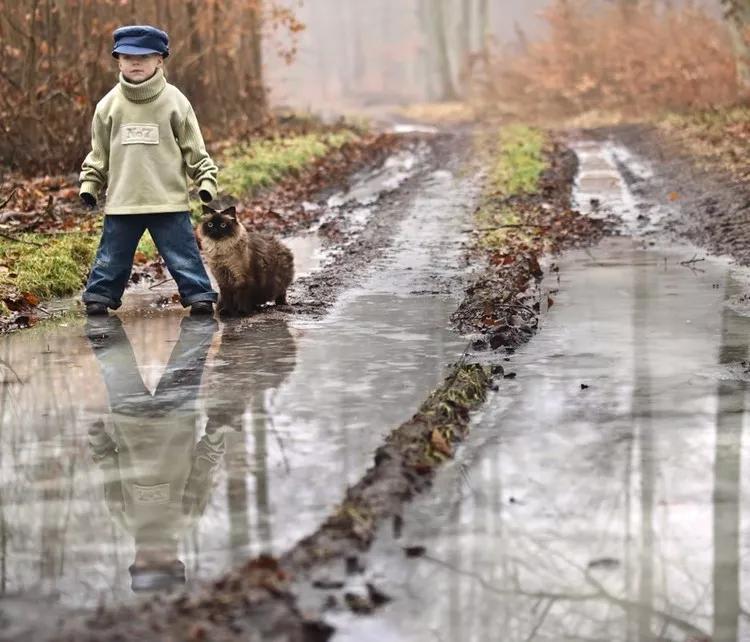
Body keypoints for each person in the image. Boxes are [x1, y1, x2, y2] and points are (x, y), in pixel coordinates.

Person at [79, 25, 219, 317]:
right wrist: (90, 185)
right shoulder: (108, 106)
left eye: (144, 56)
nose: (136, 62)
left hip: (167, 199)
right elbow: (99, 154)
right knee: (112, 257)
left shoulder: (176, 102)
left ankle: (198, 295)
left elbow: (195, 149)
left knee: (183, 256)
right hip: (122, 201)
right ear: (118, 60)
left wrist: (205, 180)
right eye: (128, 57)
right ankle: (100, 295)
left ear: (160, 60)